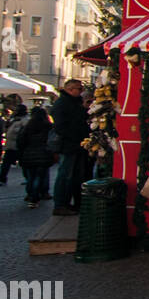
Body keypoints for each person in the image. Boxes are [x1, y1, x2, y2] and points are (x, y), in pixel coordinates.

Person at [51, 79, 89, 215]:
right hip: (69, 145)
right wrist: (75, 137)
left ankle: (69, 203)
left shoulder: (74, 102)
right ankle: (60, 204)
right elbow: (61, 126)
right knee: (65, 174)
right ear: (70, 89)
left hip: (76, 144)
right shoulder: (62, 104)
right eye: (79, 89)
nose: (81, 91)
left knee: (74, 175)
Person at [16, 106, 55, 207]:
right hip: (43, 154)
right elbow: (53, 140)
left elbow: (21, 141)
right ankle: (36, 196)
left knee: (31, 177)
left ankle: (30, 194)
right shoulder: (48, 126)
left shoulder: (28, 126)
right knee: (39, 176)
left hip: (29, 154)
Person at [0, 104, 28, 185]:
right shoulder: (13, 119)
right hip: (10, 144)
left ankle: (27, 178)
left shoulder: (25, 120)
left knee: (23, 163)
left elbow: (23, 131)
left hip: (19, 145)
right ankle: (2, 179)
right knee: (5, 163)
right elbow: (6, 129)